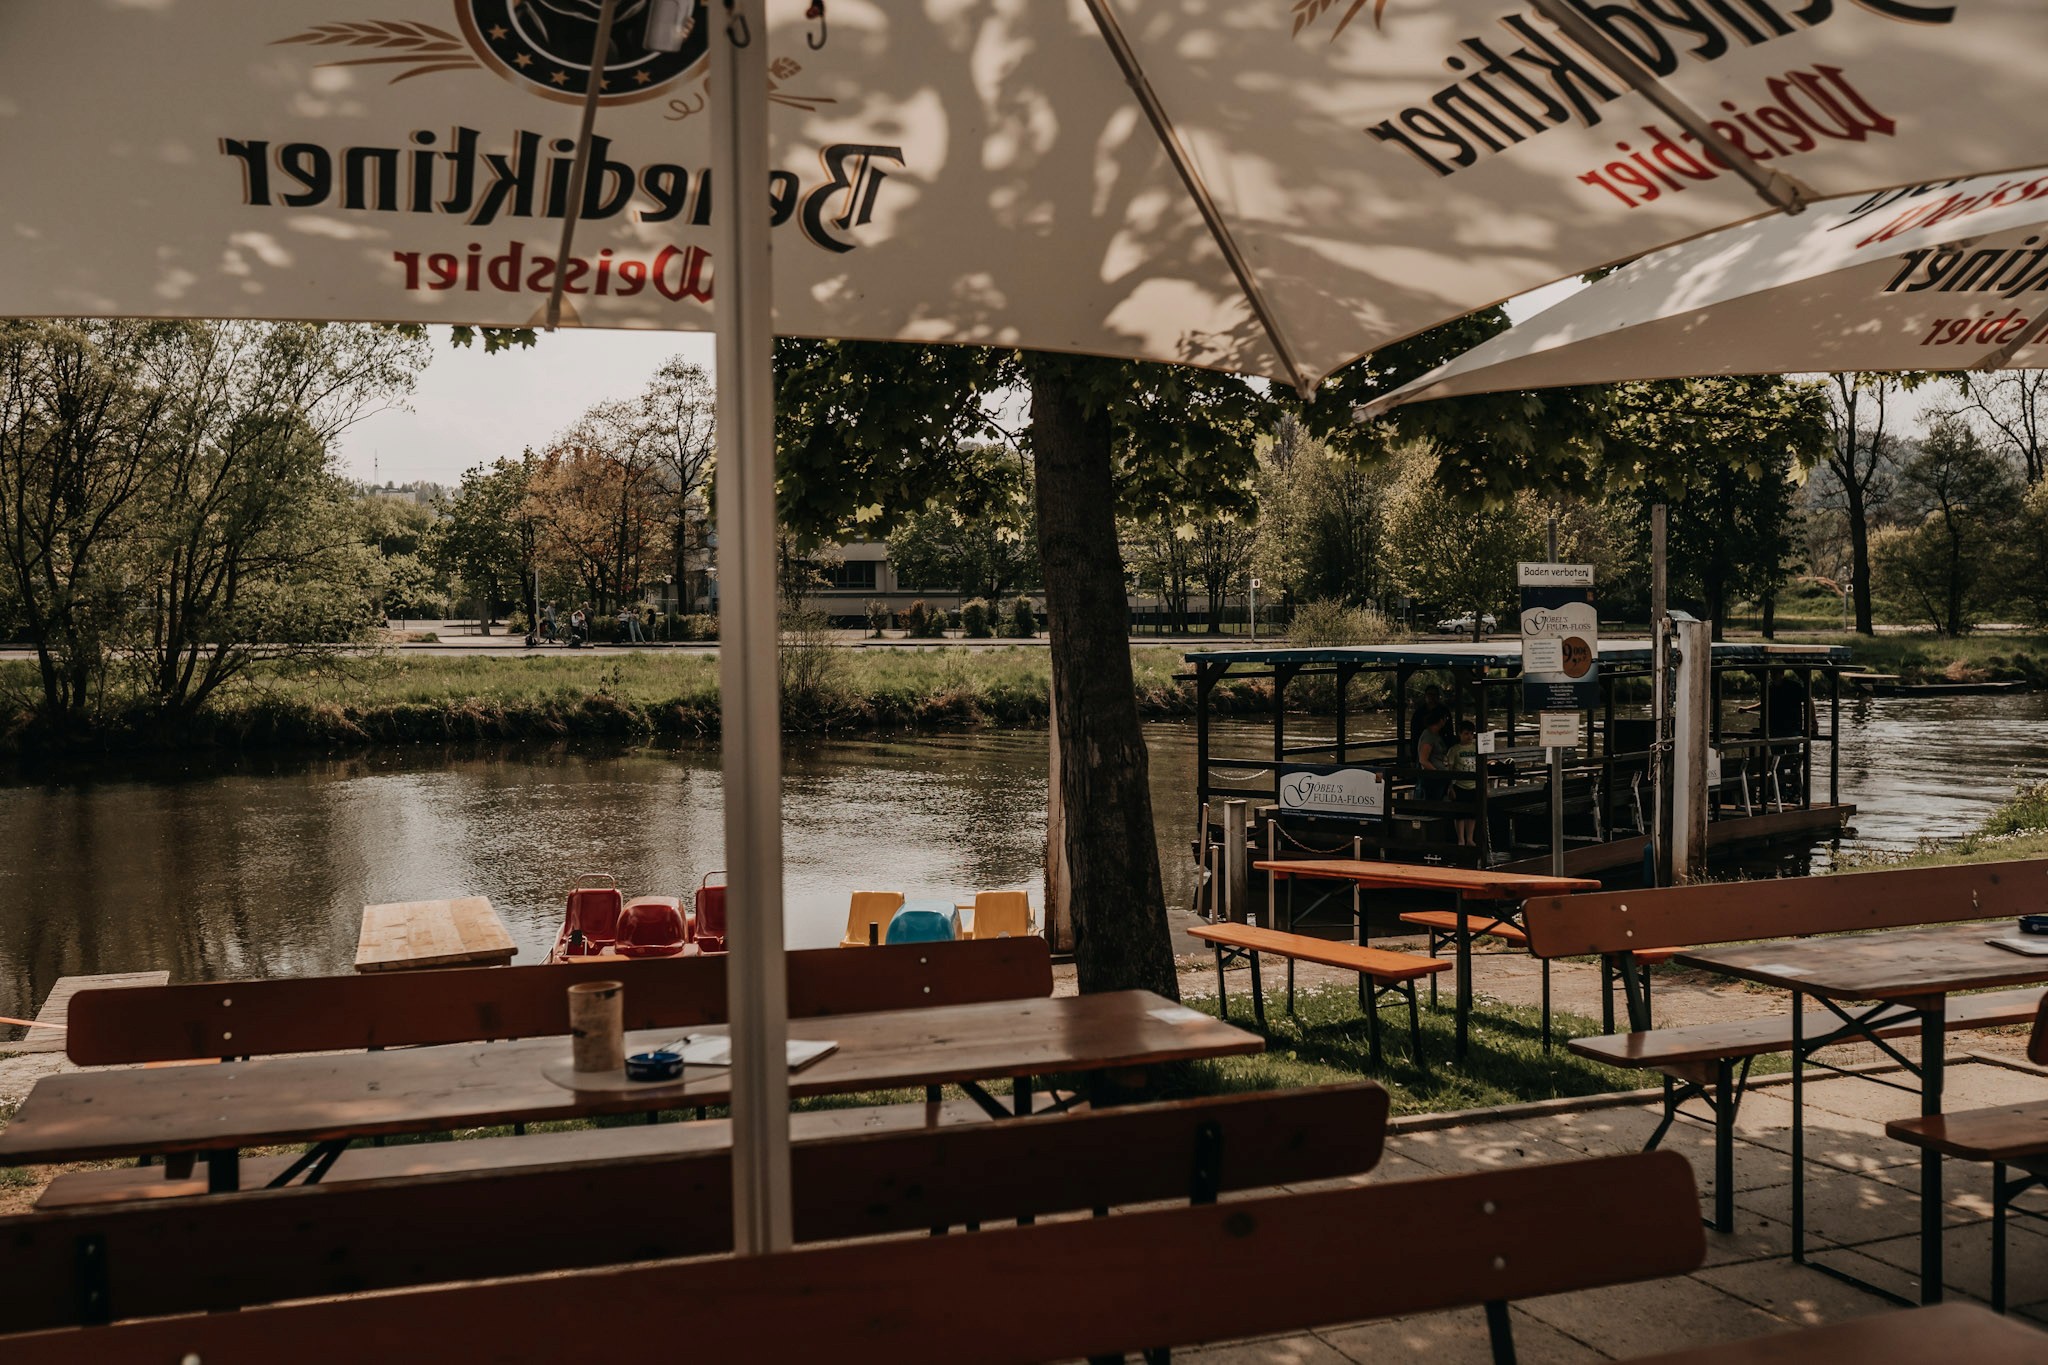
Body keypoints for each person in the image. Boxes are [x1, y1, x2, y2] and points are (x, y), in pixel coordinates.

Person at [1445, 721, 1482, 846]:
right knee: (1459, 814)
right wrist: (1450, 787)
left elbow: (1483, 767)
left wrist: (1485, 786)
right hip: (1459, 784)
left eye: (1471, 733)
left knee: (1472, 814)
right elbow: (1450, 769)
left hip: (1474, 785)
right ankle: (1461, 839)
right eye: (1466, 733)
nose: (1469, 736)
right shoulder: (1454, 750)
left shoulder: (1476, 748)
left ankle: (1470, 838)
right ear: (1460, 734)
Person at [1409, 684, 1450, 762]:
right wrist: (1413, 756)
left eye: (1435, 695)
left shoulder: (1444, 711)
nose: (1432, 697)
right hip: (1422, 744)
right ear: (1425, 696)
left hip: (1441, 746)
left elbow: (1449, 731)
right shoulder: (1419, 712)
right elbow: (1414, 734)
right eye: (1430, 694)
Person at [1416, 714, 1452, 801]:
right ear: (1441, 720)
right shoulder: (1428, 736)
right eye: (1445, 718)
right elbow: (1423, 760)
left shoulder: (1436, 734)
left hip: (1440, 776)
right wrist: (1437, 773)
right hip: (1433, 778)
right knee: (1433, 801)